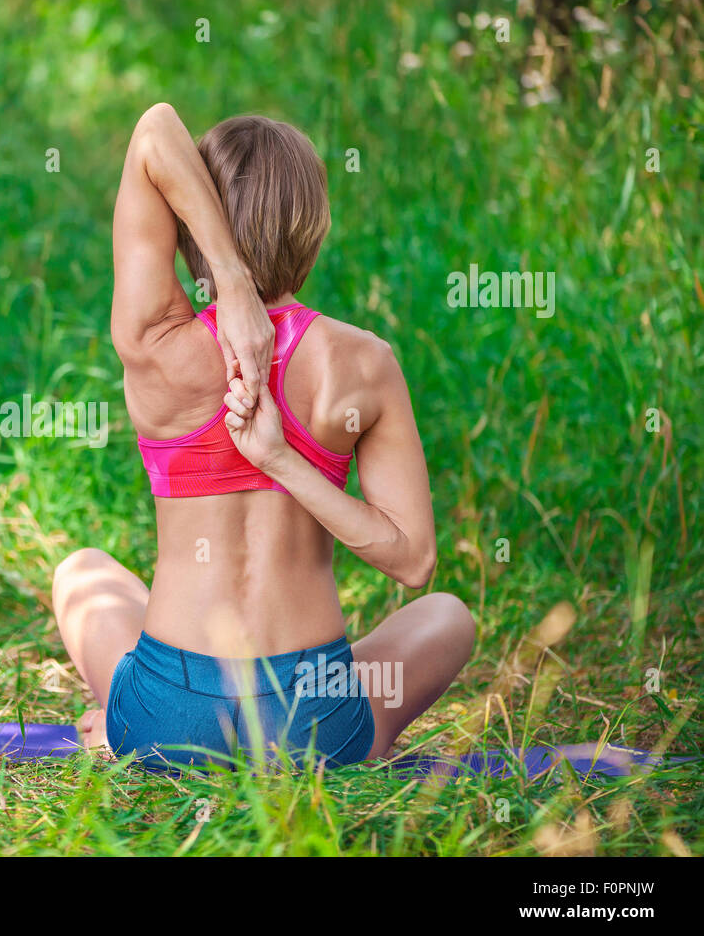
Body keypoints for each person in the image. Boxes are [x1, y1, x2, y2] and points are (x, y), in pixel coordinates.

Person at [52, 103, 475, 772]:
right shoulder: (366, 363)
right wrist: (288, 461)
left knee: (82, 572)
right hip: (312, 721)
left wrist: (230, 279)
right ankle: (361, 744)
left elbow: (154, 129)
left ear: (195, 222)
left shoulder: (158, 344)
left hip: (168, 715)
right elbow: (413, 561)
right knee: (448, 616)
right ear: (316, 227)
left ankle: (121, 722)